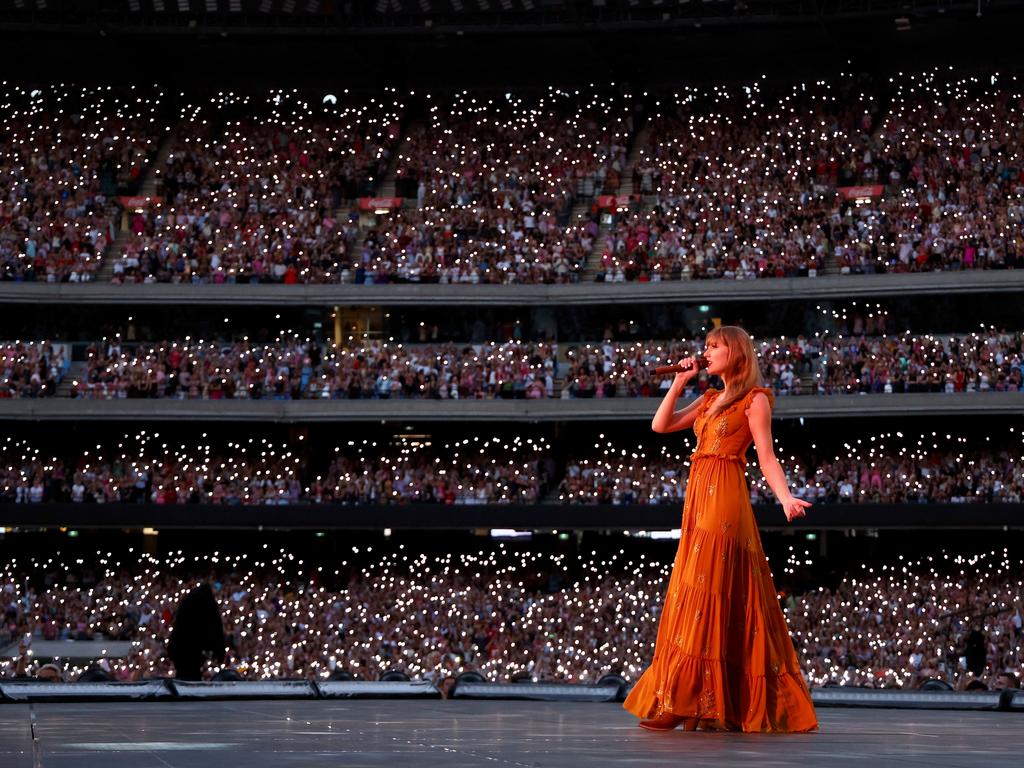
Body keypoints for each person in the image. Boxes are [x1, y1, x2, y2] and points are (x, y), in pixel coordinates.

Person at [623, 325, 818, 733]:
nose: (706, 352)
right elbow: (661, 425)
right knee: (698, 591)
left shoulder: (755, 399)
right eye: (706, 346)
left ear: (738, 353)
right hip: (699, 495)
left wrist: (784, 497)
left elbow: (766, 456)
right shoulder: (709, 398)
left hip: (726, 493)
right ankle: (694, 699)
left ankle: (690, 701)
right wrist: (678, 383)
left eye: (715, 346)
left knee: (705, 589)